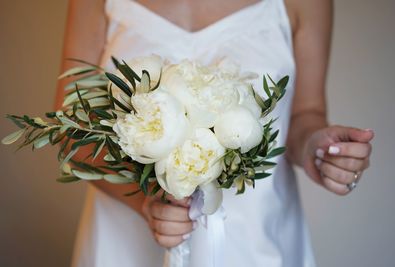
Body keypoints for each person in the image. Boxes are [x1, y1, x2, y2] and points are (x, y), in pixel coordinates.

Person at [55, 0, 374, 266]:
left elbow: (305, 114)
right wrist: (144, 201)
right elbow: (69, 130)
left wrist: (317, 149)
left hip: (254, 241)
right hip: (124, 244)